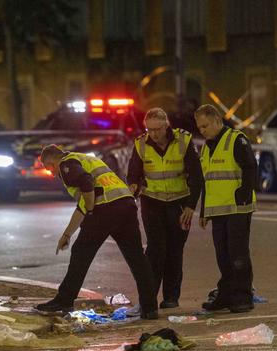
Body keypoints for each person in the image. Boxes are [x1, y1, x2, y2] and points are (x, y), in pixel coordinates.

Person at [34, 145, 158, 319]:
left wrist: (92, 209)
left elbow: (86, 184)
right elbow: (82, 207)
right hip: (126, 204)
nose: (53, 174)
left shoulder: (66, 164)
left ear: (51, 161)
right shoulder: (85, 159)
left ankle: (64, 300)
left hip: (104, 209)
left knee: (80, 253)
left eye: (49, 169)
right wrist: (67, 234)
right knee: (136, 258)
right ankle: (150, 307)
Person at [127, 108, 203, 309]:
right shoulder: (141, 144)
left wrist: (190, 206)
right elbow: (133, 173)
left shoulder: (183, 141)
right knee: (155, 250)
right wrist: (134, 186)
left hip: (179, 202)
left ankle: (171, 297)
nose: (153, 134)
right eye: (149, 129)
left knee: (174, 251)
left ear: (166, 125)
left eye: (157, 129)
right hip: (152, 202)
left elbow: (196, 176)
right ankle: (149, 297)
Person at [195, 104, 257, 313]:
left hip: (237, 208)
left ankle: (243, 297)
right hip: (218, 210)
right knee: (223, 256)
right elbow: (206, 181)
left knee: (238, 255)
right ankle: (227, 295)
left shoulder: (236, 139)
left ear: (217, 121)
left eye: (205, 126)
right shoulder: (206, 147)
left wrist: (244, 193)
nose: (202, 130)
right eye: (200, 127)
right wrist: (204, 210)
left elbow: (250, 167)